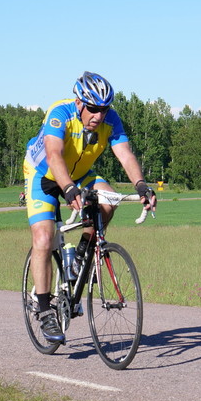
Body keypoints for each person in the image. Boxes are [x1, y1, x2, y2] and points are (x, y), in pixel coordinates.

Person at [23, 71, 157, 343]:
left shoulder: (111, 120)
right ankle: (45, 309)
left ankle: (82, 253)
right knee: (44, 238)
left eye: (104, 110)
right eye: (93, 109)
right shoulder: (60, 113)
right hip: (43, 174)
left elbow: (125, 154)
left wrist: (142, 185)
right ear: (79, 103)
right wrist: (68, 188)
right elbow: (54, 154)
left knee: (109, 200)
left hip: (80, 173)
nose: (99, 116)